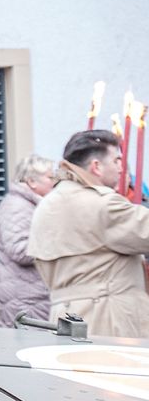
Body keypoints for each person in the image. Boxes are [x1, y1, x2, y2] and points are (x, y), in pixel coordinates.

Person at [28, 130, 149, 337]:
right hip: (109, 320)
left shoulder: (47, 204)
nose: (121, 168)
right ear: (96, 166)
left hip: (65, 317)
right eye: (117, 160)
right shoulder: (102, 204)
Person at [0, 154, 56, 328]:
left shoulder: (30, 205)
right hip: (23, 296)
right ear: (31, 181)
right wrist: (57, 242)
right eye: (50, 177)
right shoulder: (16, 207)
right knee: (24, 348)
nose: (54, 182)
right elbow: (19, 251)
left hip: (30, 293)